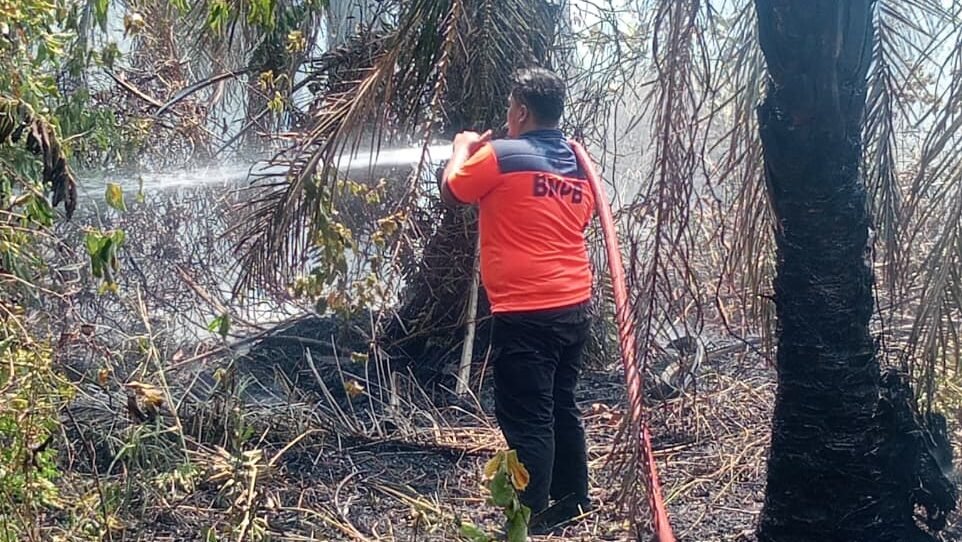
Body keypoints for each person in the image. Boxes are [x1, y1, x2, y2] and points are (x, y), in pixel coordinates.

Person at [439, 67, 595, 533]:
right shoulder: (577, 164)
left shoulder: (498, 155)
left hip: (526, 313)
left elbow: (453, 191)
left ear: (522, 111)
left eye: (511, 109)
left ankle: (527, 519)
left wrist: (461, 148)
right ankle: (573, 500)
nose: (507, 118)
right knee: (560, 405)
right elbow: (579, 221)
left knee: (527, 417)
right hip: (574, 306)